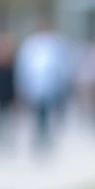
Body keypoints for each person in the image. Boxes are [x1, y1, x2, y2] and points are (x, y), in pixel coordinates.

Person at [15, 21, 71, 152]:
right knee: (38, 112)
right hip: (35, 85)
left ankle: (45, 135)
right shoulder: (31, 44)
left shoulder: (56, 43)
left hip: (52, 85)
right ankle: (40, 135)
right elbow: (24, 66)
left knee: (48, 112)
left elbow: (62, 65)